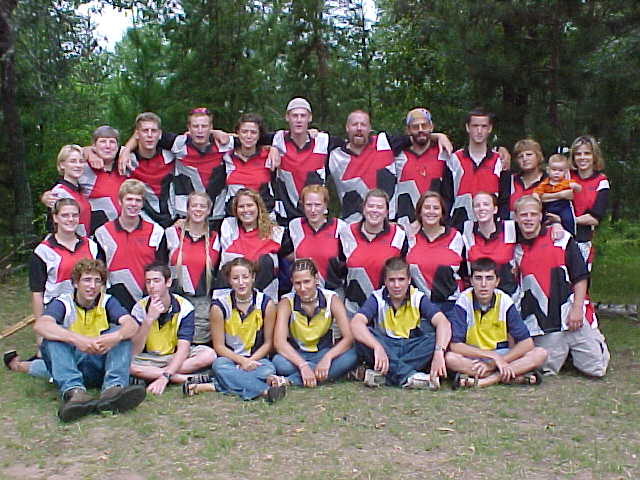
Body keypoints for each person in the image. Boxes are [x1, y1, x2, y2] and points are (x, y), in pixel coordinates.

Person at [34, 259, 144, 422]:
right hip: (73, 362)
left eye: (97, 281)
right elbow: (41, 325)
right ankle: (75, 393)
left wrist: (114, 337)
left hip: (99, 362)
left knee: (122, 334)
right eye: (87, 280)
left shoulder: (107, 301)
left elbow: (132, 325)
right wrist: (77, 340)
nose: (92, 286)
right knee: (52, 339)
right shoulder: (63, 302)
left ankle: (113, 390)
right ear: (75, 283)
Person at [6, 199, 103, 378]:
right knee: (67, 360)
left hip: (88, 313)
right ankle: (22, 366)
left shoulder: (91, 246)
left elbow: (100, 283)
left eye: (74, 215)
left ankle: (25, 365)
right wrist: (40, 336)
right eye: (65, 215)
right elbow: (37, 294)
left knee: (88, 359)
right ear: (55, 218)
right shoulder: (42, 252)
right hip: (59, 315)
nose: (70, 219)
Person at [514, 195, 609, 377]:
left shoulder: (561, 238)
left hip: (570, 315)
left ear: (541, 216)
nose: (528, 219)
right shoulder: (515, 248)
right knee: (545, 368)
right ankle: (566, 353)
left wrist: (577, 309)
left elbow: (580, 276)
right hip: (545, 323)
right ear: (516, 218)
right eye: (524, 215)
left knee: (596, 368)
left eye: (533, 214)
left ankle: (586, 343)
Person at [184, 258, 286, 402]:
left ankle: (212, 385)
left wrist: (249, 361)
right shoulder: (219, 306)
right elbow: (219, 346)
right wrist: (241, 361)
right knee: (219, 366)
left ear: (253, 278)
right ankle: (264, 390)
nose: (241, 282)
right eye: (235, 278)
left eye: (245, 277)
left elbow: (268, 343)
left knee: (268, 369)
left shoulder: (266, 303)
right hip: (229, 359)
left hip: (256, 358)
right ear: (229, 281)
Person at [445, 257, 547, 389]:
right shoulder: (464, 301)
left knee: (540, 353)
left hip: (502, 355)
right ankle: (513, 376)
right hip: (475, 356)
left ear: (497, 281)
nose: (483, 284)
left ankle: (486, 380)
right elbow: (455, 346)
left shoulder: (504, 300)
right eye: (478, 278)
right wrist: (492, 357)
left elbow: (527, 343)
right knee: (450, 358)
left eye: (489, 278)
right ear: (471, 281)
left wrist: (495, 362)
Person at [350, 257, 451, 389]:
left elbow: (443, 322)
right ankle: (410, 377)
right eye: (392, 280)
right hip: (386, 346)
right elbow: (356, 323)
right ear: (385, 281)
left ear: (409, 280)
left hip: (411, 346)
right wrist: (377, 347)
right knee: (363, 337)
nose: (396, 285)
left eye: (401, 279)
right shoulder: (377, 297)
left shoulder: (417, 297)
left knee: (437, 339)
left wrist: (439, 352)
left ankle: (386, 376)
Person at [129, 262, 216, 395]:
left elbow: (183, 349)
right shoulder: (139, 307)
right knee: (126, 364)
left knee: (209, 354)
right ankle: (184, 378)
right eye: (148, 282)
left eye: (156, 281)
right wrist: (148, 319)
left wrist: (165, 376)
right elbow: (136, 350)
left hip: (174, 356)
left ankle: (152, 376)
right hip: (149, 358)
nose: (152, 286)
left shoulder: (185, 307)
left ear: (168, 282)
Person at [272, 259, 358, 387]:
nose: (303, 288)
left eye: (307, 282)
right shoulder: (286, 302)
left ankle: (289, 381)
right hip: (297, 354)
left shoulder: (331, 299)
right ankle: (326, 374)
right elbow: (279, 343)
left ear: (316, 279)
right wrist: (302, 365)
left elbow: (348, 338)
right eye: (297, 283)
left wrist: (328, 358)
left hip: (323, 353)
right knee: (279, 362)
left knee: (352, 355)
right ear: (292, 282)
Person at [94, 179, 166, 311]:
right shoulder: (102, 233)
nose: (133, 204)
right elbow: (99, 272)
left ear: (143, 203)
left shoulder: (156, 232)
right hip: (115, 302)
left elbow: (162, 269)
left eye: (138, 200)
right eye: (129, 199)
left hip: (148, 301)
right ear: (120, 201)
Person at [339, 189, 408, 316]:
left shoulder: (399, 235)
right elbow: (340, 270)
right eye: (370, 206)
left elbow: (404, 270)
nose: (375, 210)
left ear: (387, 212)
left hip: (388, 309)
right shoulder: (346, 233)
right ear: (363, 209)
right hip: (354, 309)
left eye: (380, 207)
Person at [165, 192, 220, 345]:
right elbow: (162, 266)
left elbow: (218, 271)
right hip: (175, 300)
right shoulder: (172, 233)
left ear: (209, 211)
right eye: (194, 205)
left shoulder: (215, 238)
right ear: (187, 209)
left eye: (202, 206)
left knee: (198, 345)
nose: (198, 209)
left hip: (202, 303)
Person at [328, 110, 397, 223]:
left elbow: (417, 138)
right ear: (347, 127)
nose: (359, 128)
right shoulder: (335, 154)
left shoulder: (385, 143)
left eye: (363, 124)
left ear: (370, 128)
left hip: (388, 223)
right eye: (355, 124)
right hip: (352, 226)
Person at [271, 98, 333, 224]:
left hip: (316, 215)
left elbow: (353, 144)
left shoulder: (324, 141)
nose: (299, 120)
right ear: (287, 117)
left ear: (310, 118)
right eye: (295, 116)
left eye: (303, 116)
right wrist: (271, 148)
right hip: (285, 216)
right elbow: (247, 139)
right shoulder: (277, 140)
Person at [166, 107, 234, 220]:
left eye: (204, 126)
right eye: (195, 126)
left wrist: (273, 149)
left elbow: (252, 138)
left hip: (217, 213)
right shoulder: (178, 144)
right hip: (185, 213)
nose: (200, 130)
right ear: (189, 128)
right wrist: (130, 145)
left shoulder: (224, 144)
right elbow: (148, 135)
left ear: (211, 127)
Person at [219, 188, 284, 300]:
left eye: (250, 205)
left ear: (258, 207)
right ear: (235, 210)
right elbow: (226, 263)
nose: (246, 210)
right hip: (231, 293)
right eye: (241, 206)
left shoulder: (275, 232)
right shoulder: (228, 227)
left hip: (264, 296)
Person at [394, 108, 454, 231]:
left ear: (431, 127)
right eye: (415, 127)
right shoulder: (397, 156)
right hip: (405, 228)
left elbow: (450, 195)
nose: (420, 130)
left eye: (424, 125)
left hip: (436, 228)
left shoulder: (444, 154)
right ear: (408, 130)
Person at [449, 108, 509, 229]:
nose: (479, 131)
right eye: (475, 126)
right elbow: (446, 196)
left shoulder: (500, 160)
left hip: (490, 228)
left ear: (490, 129)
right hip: (459, 226)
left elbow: (504, 199)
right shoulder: (454, 159)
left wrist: (501, 224)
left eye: (484, 126)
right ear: (467, 127)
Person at [406, 191, 464, 315]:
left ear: (442, 213)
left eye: (436, 208)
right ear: (420, 212)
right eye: (427, 207)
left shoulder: (455, 236)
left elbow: (463, 271)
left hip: (451, 305)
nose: (431, 211)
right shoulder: (410, 238)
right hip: (419, 305)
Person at [282, 184, 348, 291]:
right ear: (303, 205)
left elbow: (346, 261)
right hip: (301, 290)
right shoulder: (295, 226)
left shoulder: (340, 227)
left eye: (317, 205)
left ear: (325, 205)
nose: (313, 210)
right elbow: (285, 253)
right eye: (308, 205)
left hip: (333, 290)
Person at [123, 112, 176, 227]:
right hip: (142, 221)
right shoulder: (126, 160)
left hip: (173, 220)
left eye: (154, 131)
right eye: (145, 131)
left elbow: (194, 140)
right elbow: (97, 151)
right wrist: (87, 152)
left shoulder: (173, 156)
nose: (150, 135)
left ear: (160, 134)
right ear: (137, 134)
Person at [462, 192, 518, 298]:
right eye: (477, 205)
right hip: (478, 297)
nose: (481, 208)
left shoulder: (510, 228)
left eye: (486, 204)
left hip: (509, 295)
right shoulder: (466, 229)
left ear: (495, 209)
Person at [569, 135, 609, 268]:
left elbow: (595, 218)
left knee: (580, 277)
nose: (582, 157)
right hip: (560, 237)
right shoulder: (566, 176)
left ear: (594, 156)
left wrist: (569, 220)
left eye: (587, 153)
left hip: (583, 239)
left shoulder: (601, 181)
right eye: (578, 154)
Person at [223, 113, 275, 215]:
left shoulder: (269, 156)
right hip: (234, 216)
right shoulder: (226, 156)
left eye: (253, 132)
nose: (248, 136)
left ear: (260, 135)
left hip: (265, 215)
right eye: (244, 132)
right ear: (237, 133)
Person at [48, 145, 91, 236]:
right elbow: (54, 227)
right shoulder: (59, 193)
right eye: (73, 161)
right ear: (62, 165)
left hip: (83, 241)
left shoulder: (81, 191)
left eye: (81, 161)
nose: (78, 165)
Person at [533, 154, 580, 234]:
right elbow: (536, 192)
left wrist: (575, 186)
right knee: (543, 219)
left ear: (565, 172)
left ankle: (571, 235)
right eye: (554, 170)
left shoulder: (566, 182)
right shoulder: (545, 183)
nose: (557, 173)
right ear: (548, 170)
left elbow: (578, 189)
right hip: (549, 206)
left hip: (563, 206)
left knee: (568, 218)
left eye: (560, 170)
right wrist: (537, 198)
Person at [505, 138, 547, 218]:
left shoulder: (548, 180)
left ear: (538, 156)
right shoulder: (511, 180)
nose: (525, 159)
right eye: (520, 156)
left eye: (529, 154)